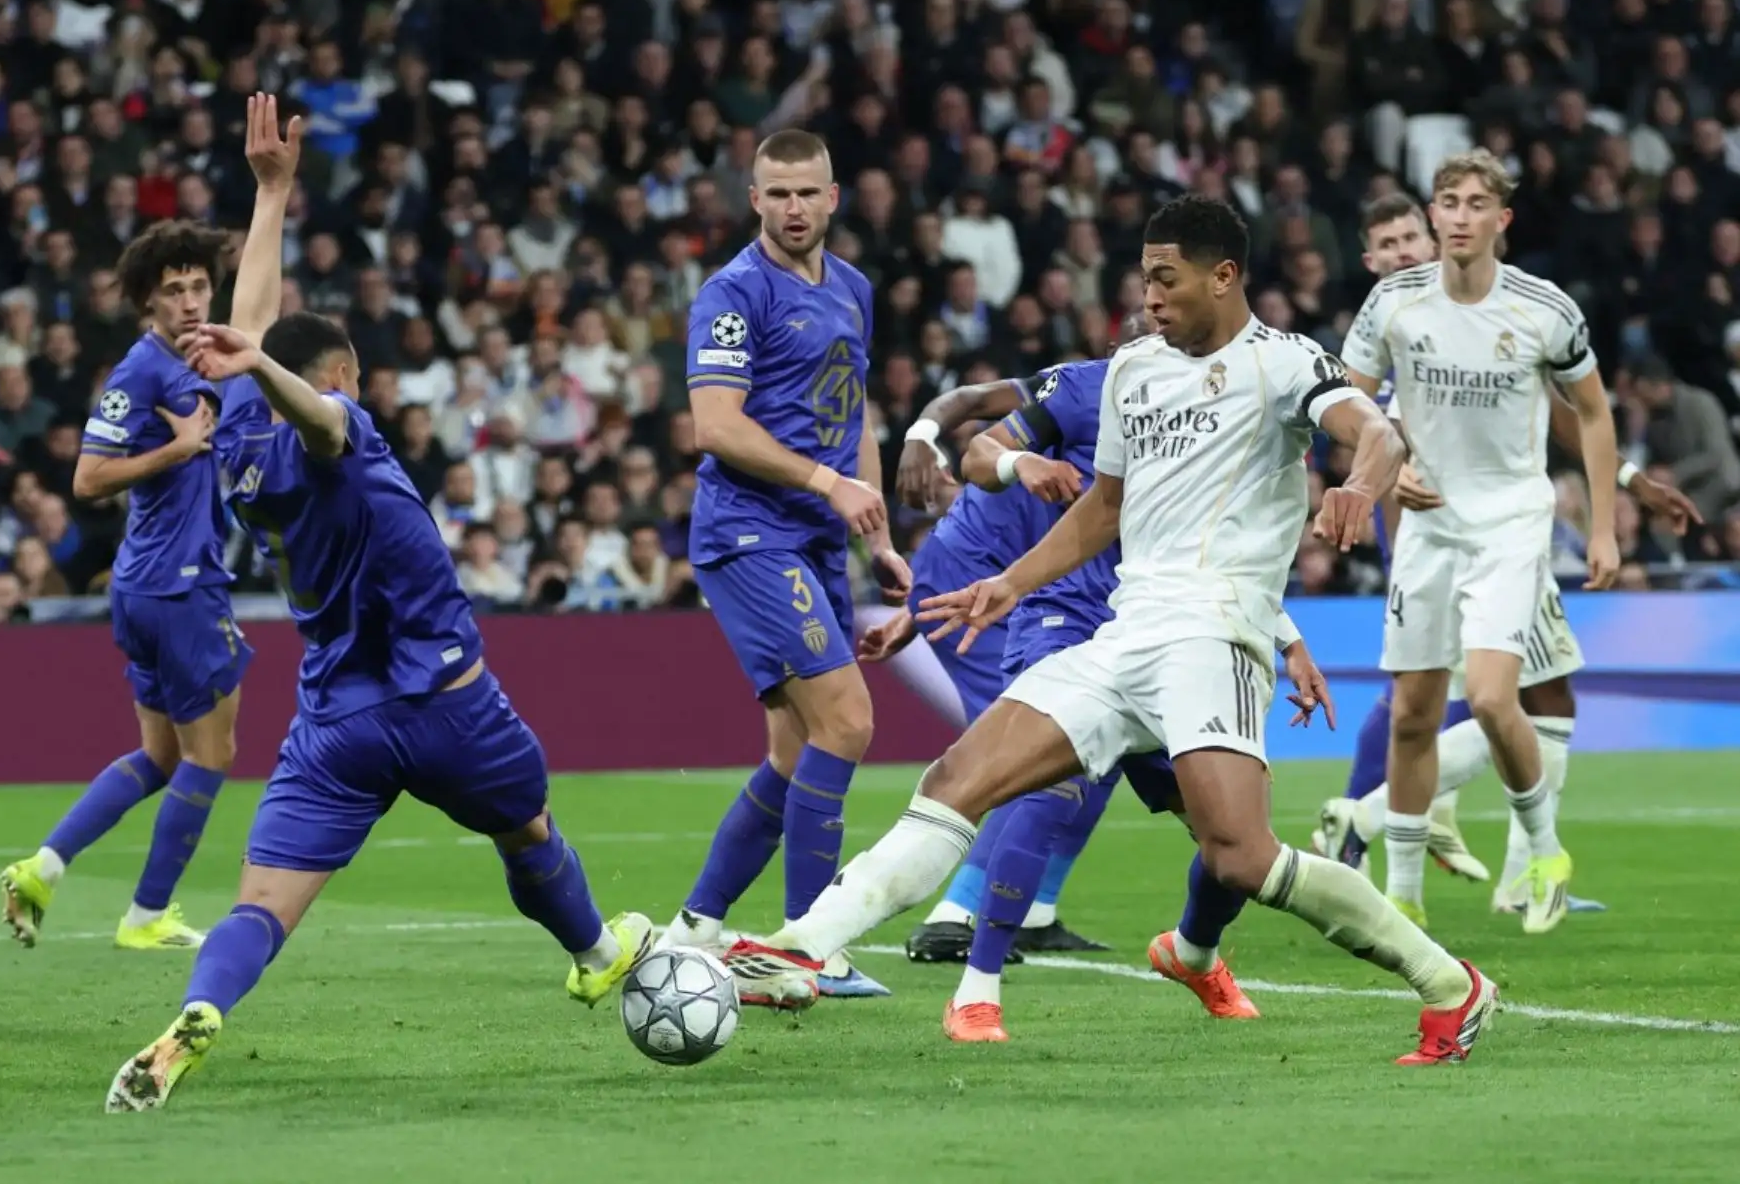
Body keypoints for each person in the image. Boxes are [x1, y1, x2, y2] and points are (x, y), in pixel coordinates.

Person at [725, 195, 1500, 1066]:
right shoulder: (1133, 370)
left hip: (1216, 637)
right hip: (1124, 635)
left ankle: (1450, 984)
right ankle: (801, 946)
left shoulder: (1283, 362)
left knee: (1241, 857)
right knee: (955, 779)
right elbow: (1103, 508)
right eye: (1145, 279)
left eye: (1167, 279)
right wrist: (1009, 584)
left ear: (1224, 276)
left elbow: (1376, 433)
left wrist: (1358, 484)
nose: (1151, 297)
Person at [105, 101, 651, 1111]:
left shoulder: (236, 440)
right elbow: (315, 416)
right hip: (449, 702)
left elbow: (250, 326)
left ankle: (202, 1009)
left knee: (262, 907)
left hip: (338, 720)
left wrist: (272, 194)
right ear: (346, 374)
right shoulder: (337, 424)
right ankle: (593, 954)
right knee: (528, 831)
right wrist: (275, 363)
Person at [866, 345, 1333, 1040]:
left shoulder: (1216, 421)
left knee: (1233, 838)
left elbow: (1215, 558)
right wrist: (938, 439)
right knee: (1042, 783)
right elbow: (980, 440)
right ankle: (972, 978)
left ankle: (1193, 951)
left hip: (1159, 634)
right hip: (1060, 613)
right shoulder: (1083, 389)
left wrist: (1289, 641)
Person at [1314, 194, 1701, 915]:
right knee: (1488, 704)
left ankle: (1480, 863)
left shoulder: (1475, 316)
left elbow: (1553, 409)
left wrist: (1628, 480)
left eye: (1410, 237)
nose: (1403, 252)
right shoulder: (1393, 332)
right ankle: (1384, 826)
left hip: (1501, 534)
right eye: (1387, 244)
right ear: (1368, 261)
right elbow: (1357, 431)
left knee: (1520, 700)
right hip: (1454, 547)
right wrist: (1385, 478)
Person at [0, 124, 271, 952]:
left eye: (199, 285)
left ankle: (44, 864)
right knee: (213, 753)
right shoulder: (142, 372)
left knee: (159, 755)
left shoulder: (195, 357)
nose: (190, 300)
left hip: (146, 584)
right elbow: (86, 479)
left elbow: (252, 328)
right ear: (146, 300)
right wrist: (177, 450)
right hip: (176, 585)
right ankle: (147, 913)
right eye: (173, 289)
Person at [1339, 150, 1620, 935]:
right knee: (1413, 714)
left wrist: (1602, 526)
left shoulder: (1543, 308)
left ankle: (1542, 849)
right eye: (1448, 201)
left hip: (1510, 524)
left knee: (1495, 697)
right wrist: (1386, 468)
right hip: (1428, 526)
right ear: (1433, 215)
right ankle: (1401, 896)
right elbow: (1348, 405)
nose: (1460, 216)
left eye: (1475, 203)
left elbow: (1593, 412)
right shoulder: (1393, 303)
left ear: (1502, 218)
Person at [657, 129, 909, 1003]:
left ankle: (696, 925)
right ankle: (806, 946)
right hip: (749, 533)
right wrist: (826, 484)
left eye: (808, 192)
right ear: (755, 199)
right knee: (849, 720)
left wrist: (878, 537)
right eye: (778, 193)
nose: (794, 208)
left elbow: (854, 414)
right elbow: (716, 425)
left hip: (817, 540)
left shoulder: (852, 289)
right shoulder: (733, 295)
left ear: (833, 197)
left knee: (796, 751)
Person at [891, 372, 1113, 962]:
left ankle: (1034, 909)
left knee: (1107, 742)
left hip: (1028, 582)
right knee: (1031, 748)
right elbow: (970, 406)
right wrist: (922, 433)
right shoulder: (1079, 389)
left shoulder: (1172, 406)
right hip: (982, 577)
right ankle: (953, 916)